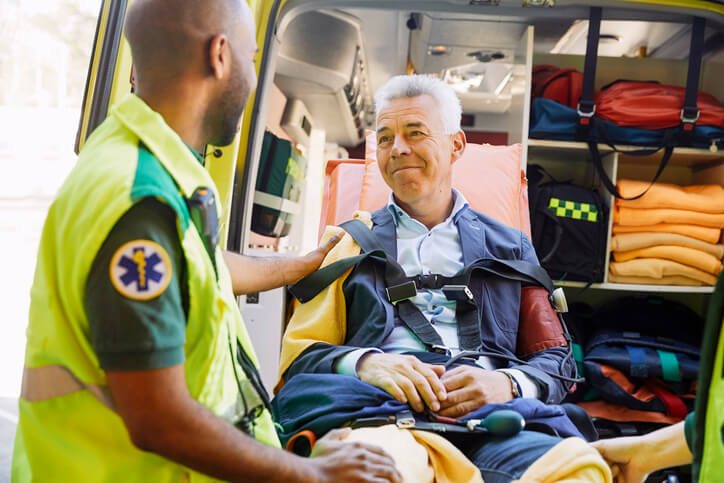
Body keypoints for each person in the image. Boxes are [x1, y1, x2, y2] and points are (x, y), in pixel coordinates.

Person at [11, 1, 401, 482]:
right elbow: (159, 419)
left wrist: (301, 264)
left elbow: (201, 268)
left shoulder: (141, 162)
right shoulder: (138, 203)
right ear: (220, 56)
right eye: (253, 59)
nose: (255, 80)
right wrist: (311, 474)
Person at [278, 74, 586, 482]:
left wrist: (506, 384)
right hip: (379, 414)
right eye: (385, 138)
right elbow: (300, 357)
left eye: (415, 133)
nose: (398, 148)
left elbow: (556, 360)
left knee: (577, 473)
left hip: (496, 421)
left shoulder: (512, 248)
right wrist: (367, 364)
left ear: (456, 145)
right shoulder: (348, 244)